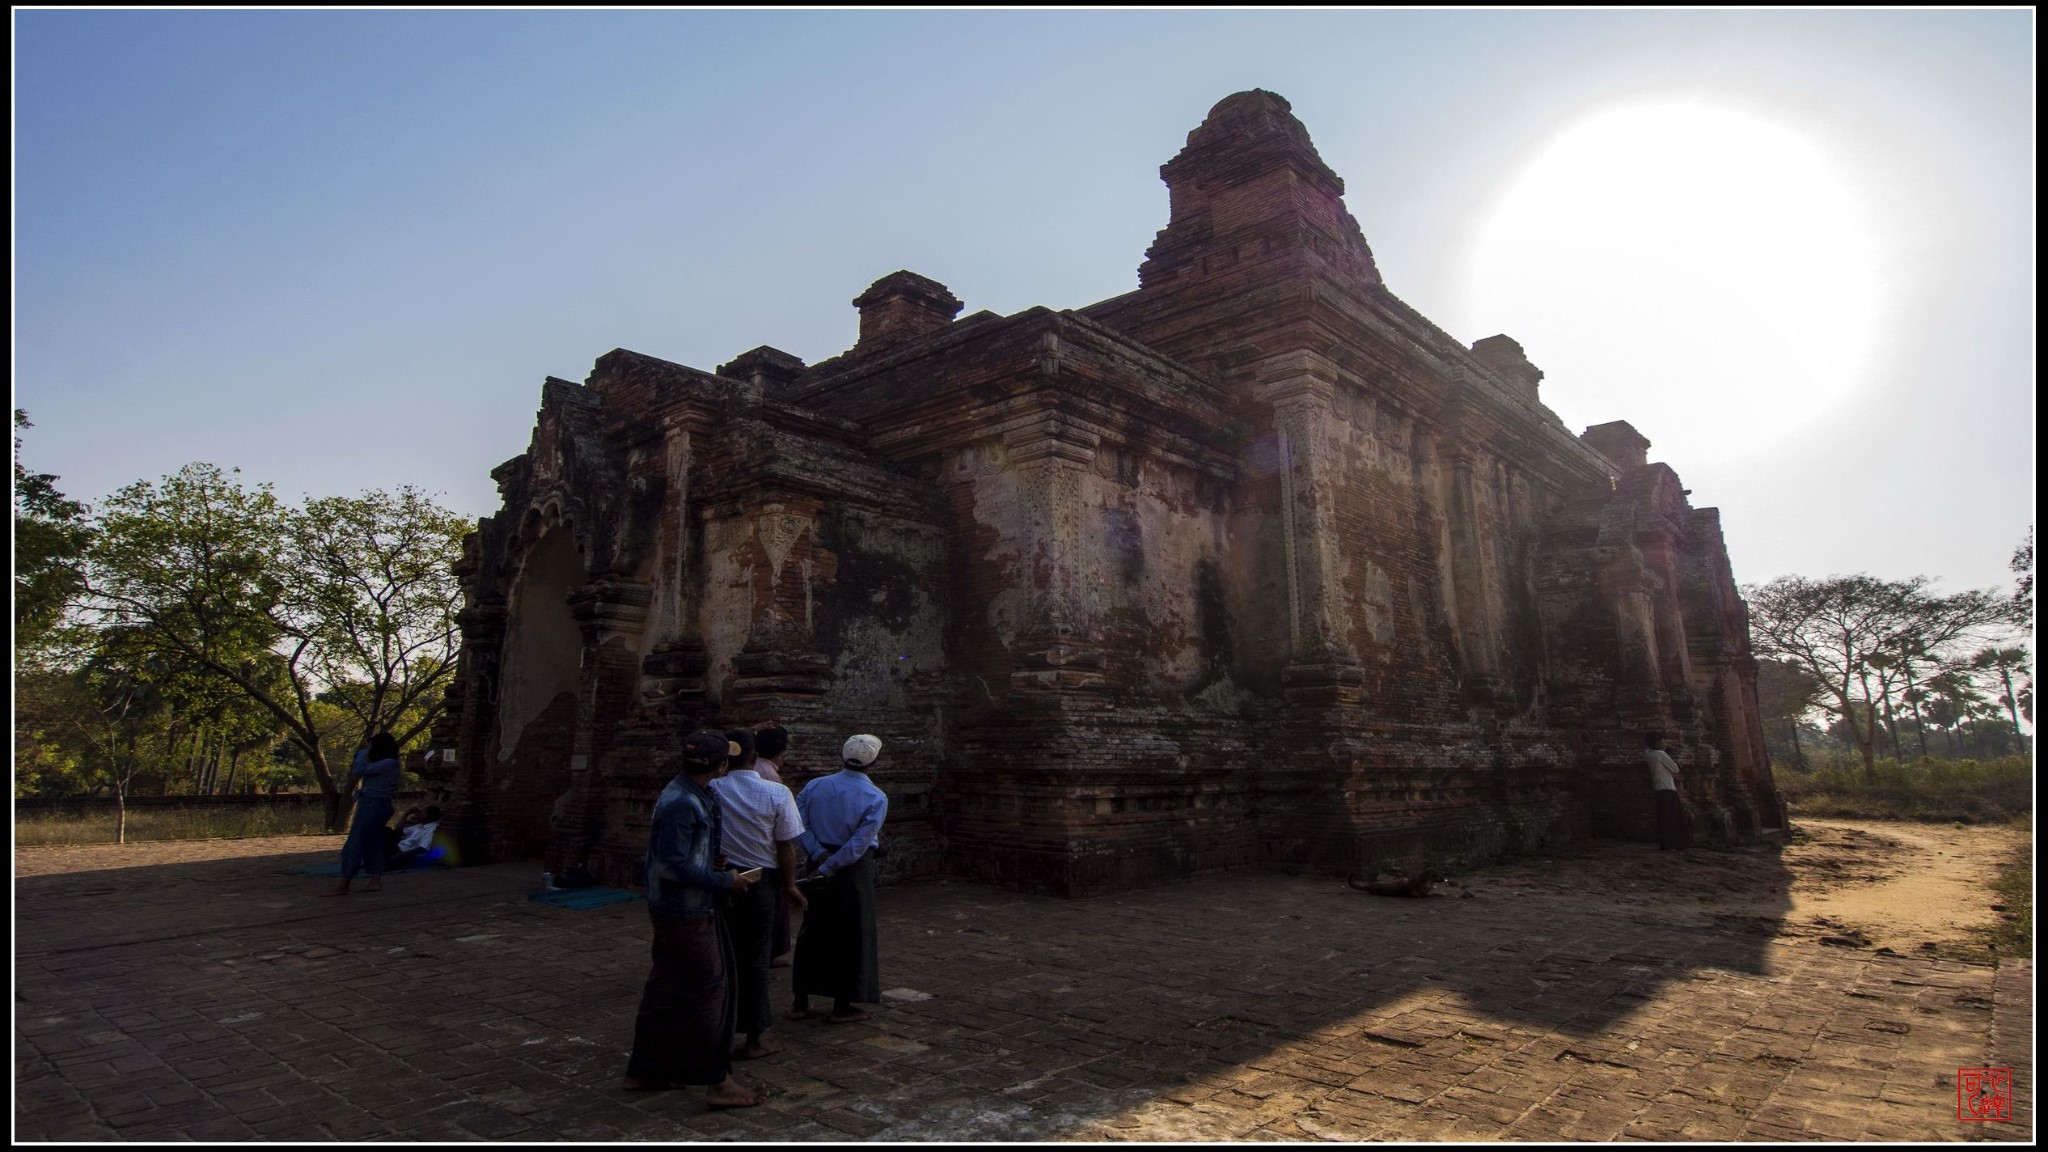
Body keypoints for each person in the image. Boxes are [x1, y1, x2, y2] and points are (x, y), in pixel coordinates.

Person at [622, 729, 763, 1108]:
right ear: (719, 766)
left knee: (666, 987)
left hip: (680, 906)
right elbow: (671, 865)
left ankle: (645, 1069)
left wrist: (710, 863)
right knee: (710, 992)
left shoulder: (693, 794)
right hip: (684, 910)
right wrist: (724, 880)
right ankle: (717, 1081)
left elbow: (683, 855)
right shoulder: (682, 802)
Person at [710, 728, 809, 1060]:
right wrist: (790, 884)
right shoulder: (776, 793)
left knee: (719, 955)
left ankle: (717, 1029)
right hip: (758, 882)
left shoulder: (708, 790)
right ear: (754, 759)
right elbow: (786, 846)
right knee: (754, 959)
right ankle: (756, 1034)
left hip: (717, 879)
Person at [790, 734, 888, 1024]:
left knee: (813, 929)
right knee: (852, 931)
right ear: (874, 762)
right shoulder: (875, 796)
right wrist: (831, 864)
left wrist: (818, 856)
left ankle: (800, 1000)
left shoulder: (815, 786)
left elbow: (796, 824)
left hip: (818, 858)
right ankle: (843, 1003)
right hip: (852, 868)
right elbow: (859, 843)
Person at [325, 732, 403, 896]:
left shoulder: (388, 763)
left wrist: (362, 753)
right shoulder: (389, 763)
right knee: (373, 843)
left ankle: (345, 882)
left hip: (373, 805)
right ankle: (375, 879)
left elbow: (358, 771)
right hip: (377, 804)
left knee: (356, 843)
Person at [754, 725, 795, 965]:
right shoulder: (769, 776)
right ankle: (768, 953)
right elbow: (784, 836)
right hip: (766, 848)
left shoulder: (757, 767)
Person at [1645, 732, 1691, 851]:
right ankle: (1675, 843)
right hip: (1667, 787)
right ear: (1657, 742)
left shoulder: (1648, 754)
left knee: (1664, 817)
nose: (1665, 743)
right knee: (1673, 817)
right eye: (1663, 741)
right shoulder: (1660, 754)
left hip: (1658, 787)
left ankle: (1666, 843)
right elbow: (1675, 769)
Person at [388, 805, 441, 870]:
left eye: (421, 812)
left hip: (404, 853)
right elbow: (397, 831)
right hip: (397, 848)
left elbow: (422, 849)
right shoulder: (420, 826)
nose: (417, 814)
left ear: (427, 815)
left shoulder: (432, 829)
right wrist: (406, 814)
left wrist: (400, 856)